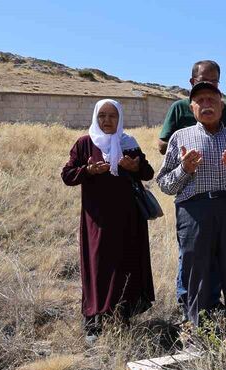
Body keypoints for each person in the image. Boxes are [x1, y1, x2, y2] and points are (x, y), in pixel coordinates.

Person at [157, 82, 226, 336]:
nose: (206, 105)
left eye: (211, 100)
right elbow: (164, 184)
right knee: (196, 276)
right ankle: (198, 335)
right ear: (191, 108)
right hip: (194, 212)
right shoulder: (180, 138)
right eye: (200, 101)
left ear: (221, 106)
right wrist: (185, 170)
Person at [61, 99, 155, 342]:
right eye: (102, 115)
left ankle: (121, 315)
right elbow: (67, 175)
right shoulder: (85, 143)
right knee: (97, 264)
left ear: (120, 118)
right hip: (97, 218)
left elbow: (148, 173)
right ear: (95, 117)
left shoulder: (128, 143)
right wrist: (89, 171)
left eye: (112, 116)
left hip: (128, 218)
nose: (107, 120)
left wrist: (133, 166)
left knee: (125, 263)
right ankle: (93, 319)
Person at [158, 60, 226, 313]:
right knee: (192, 259)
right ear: (191, 83)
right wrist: (186, 159)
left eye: (214, 83)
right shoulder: (178, 110)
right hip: (192, 200)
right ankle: (189, 312)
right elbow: (164, 146)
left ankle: (214, 307)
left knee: (220, 258)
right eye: (202, 82)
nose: (207, 100)